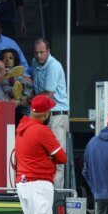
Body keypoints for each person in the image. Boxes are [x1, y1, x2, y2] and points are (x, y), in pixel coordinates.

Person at [15, 94, 70, 214]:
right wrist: (50, 159)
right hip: (38, 183)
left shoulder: (22, 127)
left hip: (25, 182)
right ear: (46, 113)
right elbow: (62, 157)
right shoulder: (40, 130)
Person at [32, 38, 69, 189]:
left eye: (42, 52)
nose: (39, 56)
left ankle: (56, 196)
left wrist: (27, 101)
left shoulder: (53, 66)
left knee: (57, 158)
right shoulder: (34, 63)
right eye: (36, 53)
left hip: (57, 116)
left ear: (48, 51)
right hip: (44, 116)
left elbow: (48, 95)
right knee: (43, 156)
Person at [0, 48, 33, 126]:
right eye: (4, 57)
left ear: (15, 60)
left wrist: (21, 100)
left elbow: (29, 89)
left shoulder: (22, 75)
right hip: (6, 109)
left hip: (21, 108)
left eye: (10, 58)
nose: (7, 60)